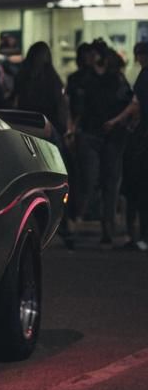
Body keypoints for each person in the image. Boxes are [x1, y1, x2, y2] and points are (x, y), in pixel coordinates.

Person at [70, 40, 133, 247]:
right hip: (94, 133)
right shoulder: (88, 79)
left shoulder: (113, 78)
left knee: (109, 182)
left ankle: (107, 226)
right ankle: (101, 221)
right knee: (96, 179)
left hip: (109, 135)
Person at [103, 40, 148, 251]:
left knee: (135, 186)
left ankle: (136, 235)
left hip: (140, 138)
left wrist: (115, 121)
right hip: (140, 136)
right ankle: (139, 235)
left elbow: (135, 105)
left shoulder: (143, 77)